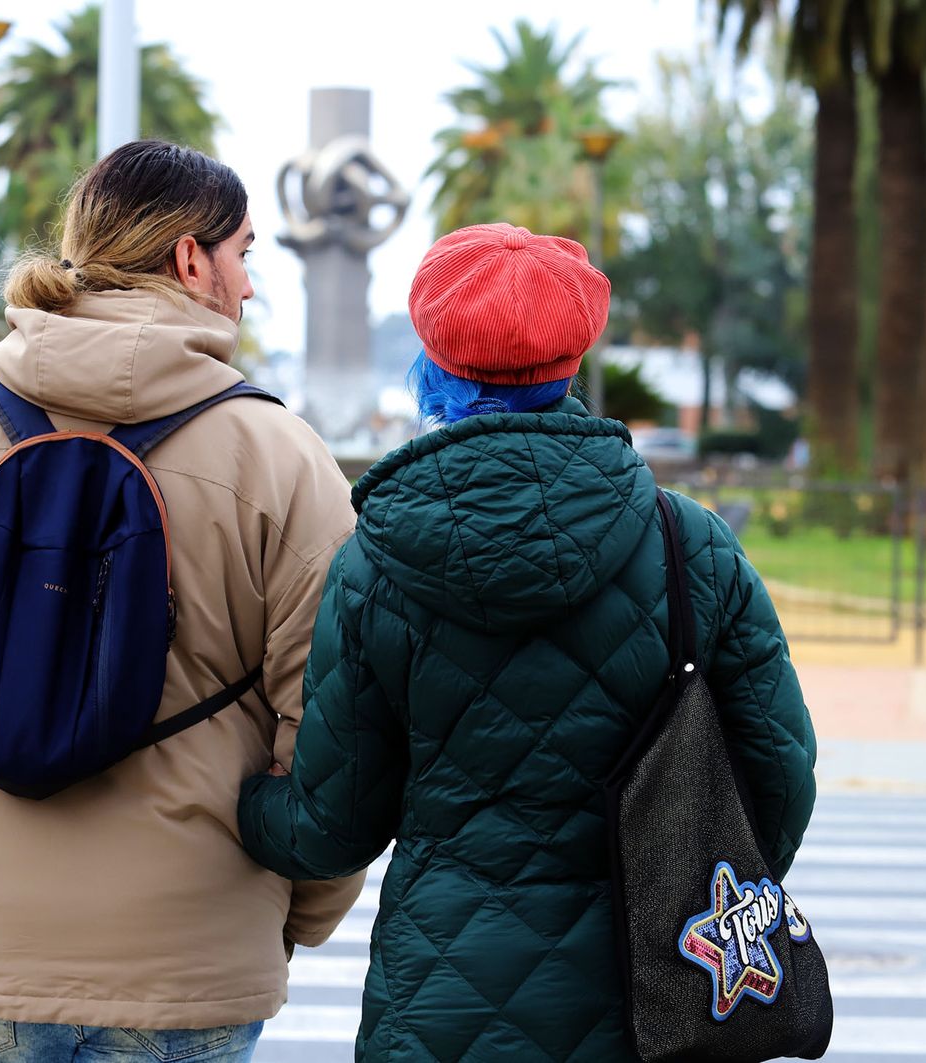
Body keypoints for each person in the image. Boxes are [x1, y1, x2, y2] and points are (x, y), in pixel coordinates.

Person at [0, 140, 363, 1063]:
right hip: (191, 957)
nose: (250, 286)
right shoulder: (281, 456)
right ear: (192, 258)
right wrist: (298, 906)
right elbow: (336, 715)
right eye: (246, 255)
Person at [237, 223, 818, 1062]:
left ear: (433, 362)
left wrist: (242, 806)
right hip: (656, 1000)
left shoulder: (376, 563)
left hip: (438, 1005)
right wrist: (688, 886)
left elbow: (332, 825)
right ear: (574, 360)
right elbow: (781, 777)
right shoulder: (689, 543)